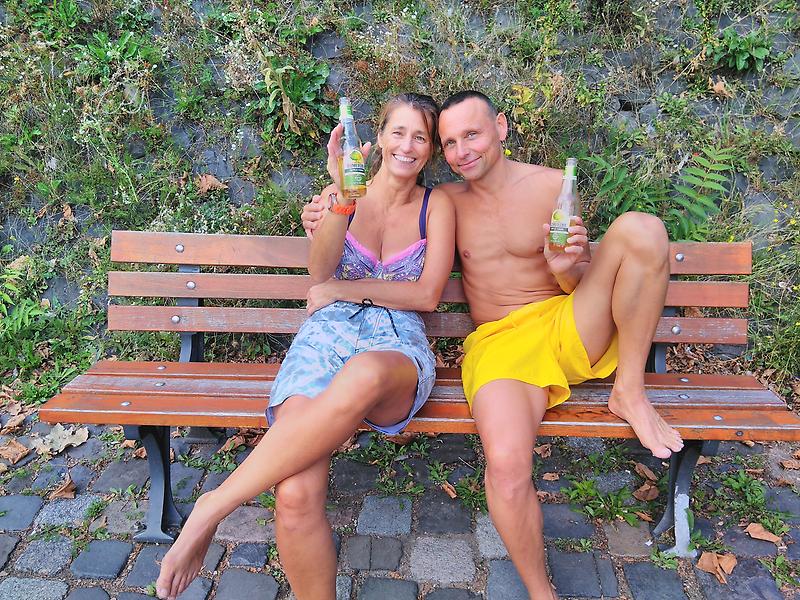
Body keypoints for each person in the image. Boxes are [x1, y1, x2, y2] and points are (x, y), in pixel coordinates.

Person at [302, 90, 684, 600]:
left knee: (643, 228)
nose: (462, 151)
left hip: (565, 324)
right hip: (500, 346)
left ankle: (629, 390)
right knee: (505, 465)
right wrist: (327, 207)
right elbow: (381, 214)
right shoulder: (445, 202)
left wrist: (566, 268)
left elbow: (587, 279)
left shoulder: (553, 185)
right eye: (450, 142)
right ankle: (542, 593)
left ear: (500, 128)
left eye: (472, 134)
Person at [155, 92, 455, 600]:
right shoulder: (340, 194)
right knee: (293, 493)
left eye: (420, 137)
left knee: (366, 373)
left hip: (394, 345)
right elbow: (319, 271)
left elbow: (425, 295)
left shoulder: (436, 205)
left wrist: (346, 290)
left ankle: (213, 506)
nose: (407, 146)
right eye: (398, 132)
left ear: (430, 150)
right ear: (379, 137)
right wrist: (340, 200)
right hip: (325, 338)